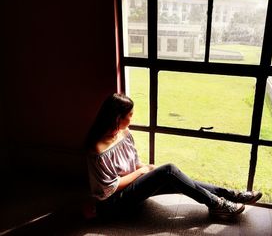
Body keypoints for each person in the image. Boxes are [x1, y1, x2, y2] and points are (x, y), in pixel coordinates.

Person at [85, 93, 262, 220]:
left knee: (176, 178)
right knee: (169, 170)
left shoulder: (124, 133)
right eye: (129, 115)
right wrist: (143, 172)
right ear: (117, 118)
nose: (132, 118)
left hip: (132, 188)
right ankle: (217, 204)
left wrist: (146, 169)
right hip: (115, 203)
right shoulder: (98, 148)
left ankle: (231, 195)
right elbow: (111, 188)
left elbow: (133, 163)